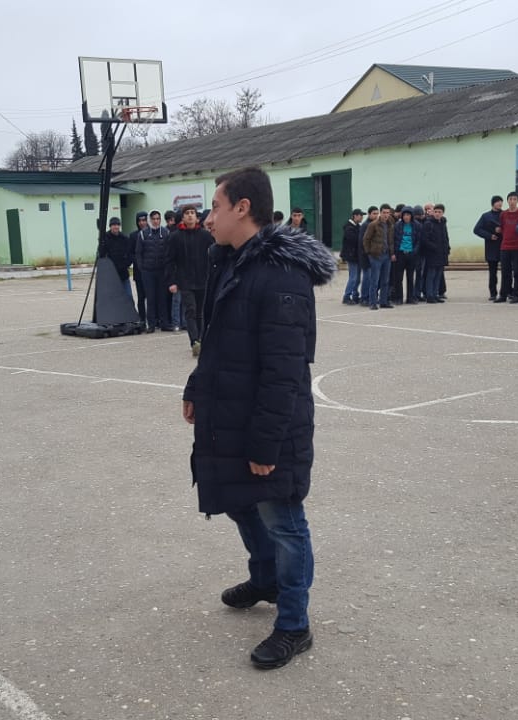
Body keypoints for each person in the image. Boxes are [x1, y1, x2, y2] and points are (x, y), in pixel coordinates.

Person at [189, 166, 334, 670]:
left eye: (215, 207)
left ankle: (294, 624)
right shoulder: (231, 262)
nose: (208, 219)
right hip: (232, 411)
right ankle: (266, 578)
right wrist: (196, 387)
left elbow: (284, 370)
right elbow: (216, 340)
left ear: (242, 207)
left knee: (283, 519)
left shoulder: (281, 275)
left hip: (271, 424)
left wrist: (266, 443)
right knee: (240, 502)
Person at [167, 207, 214, 356]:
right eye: (187, 213)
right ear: (182, 217)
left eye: (192, 213)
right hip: (185, 281)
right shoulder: (175, 237)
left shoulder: (205, 236)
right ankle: (194, 341)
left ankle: (201, 339)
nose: (190, 216)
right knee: (191, 310)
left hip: (203, 279)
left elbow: (215, 255)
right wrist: (172, 281)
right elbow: (169, 261)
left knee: (201, 312)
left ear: (197, 217)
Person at [136, 210, 173, 330]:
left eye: (158, 219)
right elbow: (138, 253)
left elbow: (169, 251)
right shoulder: (143, 234)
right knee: (150, 298)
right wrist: (142, 268)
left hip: (162, 271)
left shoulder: (166, 233)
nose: (156, 221)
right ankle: (151, 324)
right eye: (153, 219)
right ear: (150, 220)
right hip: (148, 272)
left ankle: (164, 323)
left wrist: (167, 268)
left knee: (162, 298)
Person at [360, 204, 394, 309]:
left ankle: (383, 301)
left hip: (387, 255)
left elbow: (391, 240)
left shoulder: (390, 224)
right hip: (376, 256)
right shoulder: (373, 225)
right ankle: (372, 302)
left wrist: (392, 253)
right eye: (384, 213)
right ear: (380, 212)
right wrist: (369, 253)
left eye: (388, 213)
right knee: (374, 280)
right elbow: (366, 239)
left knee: (385, 280)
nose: (386, 215)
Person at [497, 192, 518, 302]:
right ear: (507, 201)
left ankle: (516, 295)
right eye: (510, 199)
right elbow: (502, 228)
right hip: (505, 246)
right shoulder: (503, 214)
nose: (512, 201)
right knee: (505, 272)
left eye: (514, 199)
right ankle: (503, 295)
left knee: (517, 272)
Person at [473, 196, 503, 302]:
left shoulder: (504, 214)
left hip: (504, 246)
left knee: (506, 272)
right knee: (492, 272)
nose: (500, 204)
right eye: (498, 202)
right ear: (493, 203)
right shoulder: (486, 216)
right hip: (491, 247)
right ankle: (493, 293)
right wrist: (489, 236)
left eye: (501, 202)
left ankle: (506, 292)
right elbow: (477, 229)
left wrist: (501, 230)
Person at [98, 217, 133, 300]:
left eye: (117, 224)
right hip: (111, 275)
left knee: (128, 297)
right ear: (110, 226)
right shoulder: (105, 238)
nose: (116, 227)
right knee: (112, 298)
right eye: (113, 225)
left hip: (123, 274)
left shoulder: (125, 239)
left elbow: (130, 254)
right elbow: (101, 254)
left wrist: (126, 264)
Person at [392, 207, 420, 304]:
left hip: (411, 254)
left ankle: (410, 297)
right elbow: (394, 240)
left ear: (411, 216)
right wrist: (394, 253)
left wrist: (414, 251)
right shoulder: (397, 225)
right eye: (404, 215)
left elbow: (419, 241)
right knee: (398, 278)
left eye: (408, 215)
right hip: (400, 254)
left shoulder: (417, 226)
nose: (406, 217)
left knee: (410, 277)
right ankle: (399, 298)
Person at [340, 209, 364, 304]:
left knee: (357, 278)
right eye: (361, 215)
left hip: (357, 256)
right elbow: (354, 240)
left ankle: (355, 295)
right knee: (353, 277)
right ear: (355, 216)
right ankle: (347, 296)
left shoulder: (358, 226)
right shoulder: (349, 227)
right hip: (351, 256)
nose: (362, 217)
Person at [129, 211, 150, 323]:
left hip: (151, 271)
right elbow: (131, 253)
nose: (142, 223)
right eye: (140, 221)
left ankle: (153, 319)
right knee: (141, 297)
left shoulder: (153, 233)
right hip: (139, 271)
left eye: (144, 220)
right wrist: (139, 261)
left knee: (151, 297)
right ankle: (142, 319)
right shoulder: (133, 236)